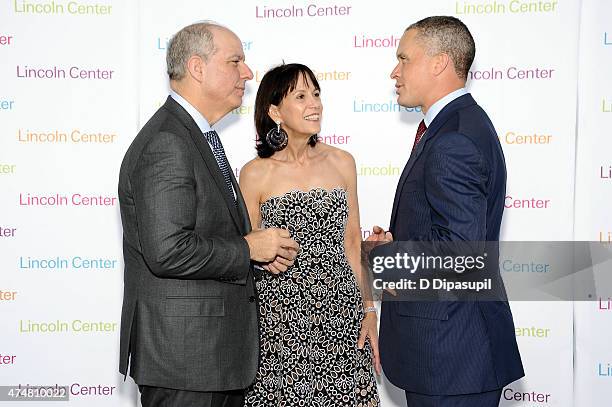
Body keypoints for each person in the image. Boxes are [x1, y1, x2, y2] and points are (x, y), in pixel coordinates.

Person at [118, 22, 298, 407]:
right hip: (186, 361)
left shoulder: (194, 135)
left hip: (209, 357)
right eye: (236, 61)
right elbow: (167, 250)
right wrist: (247, 249)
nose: (248, 73)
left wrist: (253, 254)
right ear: (197, 68)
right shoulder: (168, 142)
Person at [368, 16, 525, 406]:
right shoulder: (456, 126)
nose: (395, 71)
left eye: (404, 59)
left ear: (438, 63)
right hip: (450, 354)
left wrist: (384, 258)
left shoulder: (454, 138)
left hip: (452, 356)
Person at [239, 63, 381, 407]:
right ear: (275, 111)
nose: (314, 103)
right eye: (301, 96)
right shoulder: (255, 174)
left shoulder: (342, 161)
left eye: (316, 94)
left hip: (343, 315)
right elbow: (244, 249)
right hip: (280, 323)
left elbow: (351, 243)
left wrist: (369, 310)